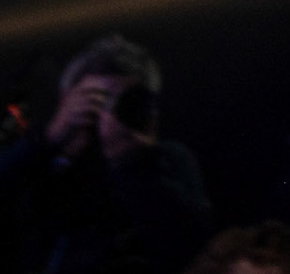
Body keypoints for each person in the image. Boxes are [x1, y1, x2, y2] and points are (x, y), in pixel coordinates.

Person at [0, 33, 213, 273]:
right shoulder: (39, 166)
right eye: (97, 101)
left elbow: (190, 247)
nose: (109, 114)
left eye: (125, 102)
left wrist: (133, 162)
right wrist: (49, 140)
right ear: (67, 100)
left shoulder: (166, 162)